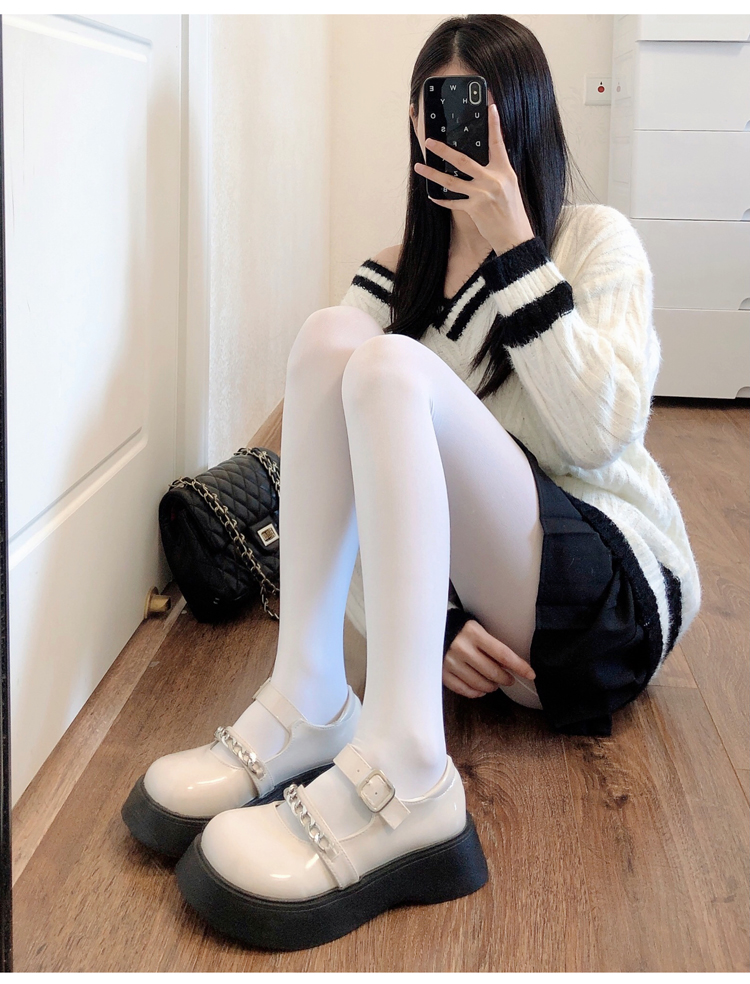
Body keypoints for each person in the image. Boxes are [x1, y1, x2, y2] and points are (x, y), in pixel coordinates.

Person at [123, 14, 701, 951]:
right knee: (331, 341)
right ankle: (311, 698)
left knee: (390, 367)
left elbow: (601, 435)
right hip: (495, 624)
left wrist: (516, 249)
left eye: (481, 110)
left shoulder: (593, 243)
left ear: (525, 119)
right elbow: (344, 493)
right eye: (440, 109)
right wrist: (438, 625)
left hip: (605, 601)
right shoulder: (396, 274)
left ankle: (411, 773)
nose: (459, 131)